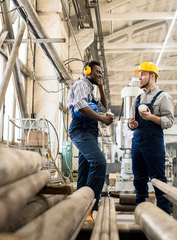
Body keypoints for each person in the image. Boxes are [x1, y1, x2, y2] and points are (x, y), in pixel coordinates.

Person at [67, 60, 114, 222]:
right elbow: (80, 106)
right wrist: (102, 119)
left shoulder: (91, 89)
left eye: (101, 72)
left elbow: (102, 108)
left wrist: (101, 86)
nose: (100, 74)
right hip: (80, 129)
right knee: (99, 162)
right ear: (87, 71)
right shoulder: (82, 85)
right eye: (97, 72)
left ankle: (79, 209)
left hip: (90, 132)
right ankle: (89, 207)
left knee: (85, 169)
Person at [127, 62, 174, 214]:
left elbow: (169, 121)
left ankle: (164, 215)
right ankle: (140, 214)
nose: (139, 78)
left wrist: (151, 117)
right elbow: (131, 122)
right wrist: (131, 124)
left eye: (143, 74)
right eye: (139, 74)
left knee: (158, 180)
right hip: (137, 141)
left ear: (152, 76)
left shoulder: (163, 97)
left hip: (154, 141)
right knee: (138, 179)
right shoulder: (137, 99)